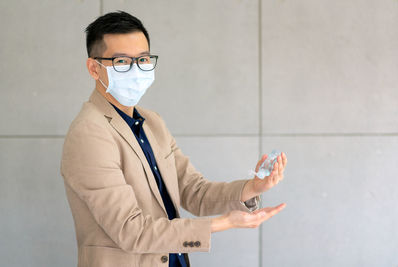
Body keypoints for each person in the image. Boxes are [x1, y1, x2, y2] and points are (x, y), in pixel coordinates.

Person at [60, 11, 288, 267]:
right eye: (122, 61)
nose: (136, 70)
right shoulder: (89, 133)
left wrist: (253, 188)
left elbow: (194, 191)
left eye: (144, 59)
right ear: (94, 68)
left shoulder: (152, 122)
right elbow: (130, 231)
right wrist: (224, 223)